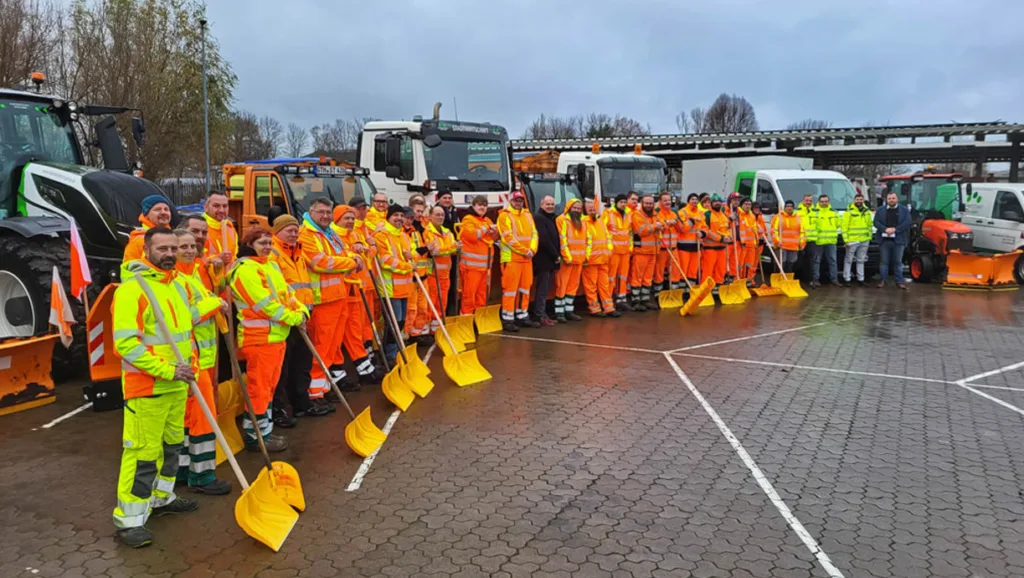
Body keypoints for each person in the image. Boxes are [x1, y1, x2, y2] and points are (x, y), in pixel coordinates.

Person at [112, 227, 199, 548]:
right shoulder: (132, 290)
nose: (169, 254)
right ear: (146, 250)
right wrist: (167, 370)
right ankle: (130, 519)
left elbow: (184, 334)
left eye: (173, 248)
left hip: (176, 384)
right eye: (162, 248)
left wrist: (191, 372)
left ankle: (162, 497)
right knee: (142, 454)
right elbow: (126, 345)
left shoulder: (177, 286)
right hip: (146, 387)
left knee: (172, 446)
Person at [230, 227, 308, 452]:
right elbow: (264, 305)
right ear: (250, 245)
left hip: (276, 337)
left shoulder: (270, 265)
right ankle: (256, 436)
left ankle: (265, 430)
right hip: (259, 339)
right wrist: (294, 318)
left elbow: (288, 294)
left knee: (269, 388)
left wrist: (301, 311)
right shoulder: (245, 269)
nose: (266, 246)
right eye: (261, 243)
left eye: (268, 242)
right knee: (259, 389)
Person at [172, 229, 231, 494]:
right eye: (182, 246)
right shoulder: (175, 280)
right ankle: (203, 475)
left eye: (192, 246)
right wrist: (215, 303)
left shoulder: (192, 274)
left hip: (201, 358)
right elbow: (187, 316)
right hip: (191, 359)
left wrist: (214, 297)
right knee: (202, 418)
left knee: (188, 418)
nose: (188, 250)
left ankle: (184, 470)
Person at [299, 197, 361, 414]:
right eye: (321, 212)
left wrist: (351, 257)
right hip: (322, 301)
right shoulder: (306, 234)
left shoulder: (330, 233)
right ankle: (314, 395)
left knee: (333, 348)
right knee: (321, 349)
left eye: (328, 212)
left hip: (338, 297)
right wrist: (352, 262)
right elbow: (321, 262)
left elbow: (342, 254)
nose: (325, 216)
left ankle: (324, 388)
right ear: (311, 212)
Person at [269, 215, 316, 423]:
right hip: (286, 320)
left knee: (302, 362)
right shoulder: (274, 253)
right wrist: (294, 315)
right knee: (283, 366)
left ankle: (301, 403)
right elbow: (280, 290)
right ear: (277, 231)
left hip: (302, 315)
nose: (294, 233)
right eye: (289, 230)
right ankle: (280, 409)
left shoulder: (297, 251)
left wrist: (304, 313)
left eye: (296, 229)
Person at [333, 205, 386, 385]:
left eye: (351, 218)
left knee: (355, 330)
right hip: (339, 292)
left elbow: (366, 258)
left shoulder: (355, 235)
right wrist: (355, 256)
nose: (349, 221)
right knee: (338, 335)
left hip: (356, 288)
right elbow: (343, 260)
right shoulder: (333, 236)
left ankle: (363, 366)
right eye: (345, 218)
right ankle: (343, 371)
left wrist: (366, 247)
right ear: (337, 219)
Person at [374, 204, 414, 360]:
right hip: (390, 288)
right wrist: (408, 266)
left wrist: (411, 259)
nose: (399, 218)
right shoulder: (381, 235)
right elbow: (386, 261)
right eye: (395, 215)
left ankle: (396, 350)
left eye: (401, 216)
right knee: (394, 323)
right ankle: (390, 354)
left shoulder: (403, 235)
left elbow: (411, 255)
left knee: (401, 321)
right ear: (388, 217)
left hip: (404, 287)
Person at [497, 190, 539, 331]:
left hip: (527, 259)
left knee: (525, 289)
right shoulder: (504, 216)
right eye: (516, 200)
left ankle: (522, 315)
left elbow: (534, 234)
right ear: (511, 201)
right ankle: (508, 318)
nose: (518, 203)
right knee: (510, 290)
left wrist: (532, 250)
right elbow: (507, 238)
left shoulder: (527, 215)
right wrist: (525, 251)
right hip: (511, 259)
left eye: (520, 200)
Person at [458, 195, 499, 315]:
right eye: (480, 205)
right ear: (474, 206)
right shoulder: (468, 219)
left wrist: (494, 231)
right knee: (469, 297)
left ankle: (478, 320)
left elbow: (495, 237)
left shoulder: (486, 220)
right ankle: (466, 320)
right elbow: (472, 236)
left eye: (485, 205)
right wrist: (487, 229)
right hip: (471, 268)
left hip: (485, 268)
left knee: (482, 297)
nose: (482, 207)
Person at [422, 205, 459, 330]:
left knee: (442, 302)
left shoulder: (448, 232)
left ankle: (436, 328)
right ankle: (426, 328)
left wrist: (455, 248)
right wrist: (452, 248)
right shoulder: (427, 231)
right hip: (433, 272)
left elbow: (454, 250)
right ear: (430, 216)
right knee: (431, 301)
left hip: (445, 273)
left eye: (442, 215)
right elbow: (435, 251)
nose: (440, 217)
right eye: (437, 214)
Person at [121, 194, 173, 280]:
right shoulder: (139, 240)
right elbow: (129, 272)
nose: (163, 212)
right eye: (157, 209)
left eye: (166, 209)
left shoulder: (173, 237)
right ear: (146, 214)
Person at [583, 199, 619, 318]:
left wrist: (609, 251)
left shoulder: (600, 222)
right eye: (590, 210)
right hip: (591, 261)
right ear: (585, 211)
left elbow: (607, 237)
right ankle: (594, 309)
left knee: (604, 285)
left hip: (603, 260)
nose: (593, 211)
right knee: (591, 286)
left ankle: (609, 308)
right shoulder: (583, 223)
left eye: (594, 209)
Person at [554, 198, 588, 322]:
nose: (577, 210)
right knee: (562, 286)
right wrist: (567, 257)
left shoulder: (583, 221)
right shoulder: (561, 220)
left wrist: (585, 256)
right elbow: (562, 240)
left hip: (579, 260)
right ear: (569, 208)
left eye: (579, 208)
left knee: (573, 286)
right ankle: (559, 312)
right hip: (566, 261)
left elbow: (587, 239)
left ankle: (569, 310)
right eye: (574, 208)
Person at [404, 201, 432, 344]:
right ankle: (407, 334)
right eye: (407, 217)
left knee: (422, 307)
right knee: (411, 309)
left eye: (410, 218)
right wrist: (423, 250)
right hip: (411, 277)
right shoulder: (403, 233)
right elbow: (409, 254)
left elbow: (418, 252)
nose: (409, 220)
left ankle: (417, 333)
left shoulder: (416, 232)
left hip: (422, 275)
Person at [530, 195, 559, 326]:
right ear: (541, 205)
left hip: (551, 261)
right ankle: (539, 315)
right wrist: (555, 255)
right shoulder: (539, 218)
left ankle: (543, 314)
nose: (550, 206)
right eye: (547, 204)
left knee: (546, 289)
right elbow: (544, 240)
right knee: (542, 290)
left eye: (552, 204)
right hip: (543, 260)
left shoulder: (552, 218)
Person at [873, 192, 911, 289]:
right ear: (887, 200)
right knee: (884, 262)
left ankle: (899, 282)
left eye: (893, 198)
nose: (891, 200)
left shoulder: (904, 210)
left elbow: (907, 222)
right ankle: (882, 281)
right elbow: (876, 222)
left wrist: (895, 229)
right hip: (884, 240)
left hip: (899, 240)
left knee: (898, 262)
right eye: (889, 198)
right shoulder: (880, 210)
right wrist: (885, 229)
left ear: (897, 199)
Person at [603, 194, 633, 311]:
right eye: (621, 202)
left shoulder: (628, 214)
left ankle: (621, 300)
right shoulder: (608, 214)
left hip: (625, 251)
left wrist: (630, 247)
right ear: (616, 202)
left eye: (625, 202)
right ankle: (608, 300)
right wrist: (608, 248)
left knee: (623, 277)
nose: (623, 204)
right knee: (610, 277)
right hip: (613, 251)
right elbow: (603, 231)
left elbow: (629, 232)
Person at [630, 194, 661, 311]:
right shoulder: (637, 215)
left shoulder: (654, 215)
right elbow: (640, 231)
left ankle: (645, 299)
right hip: (641, 251)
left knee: (648, 278)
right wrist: (655, 227)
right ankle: (635, 301)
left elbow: (660, 226)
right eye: (646, 203)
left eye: (651, 203)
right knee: (637, 277)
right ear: (642, 203)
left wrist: (660, 226)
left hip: (653, 252)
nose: (649, 205)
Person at [654, 192, 684, 298]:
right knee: (659, 272)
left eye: (669, 200)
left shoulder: (674, 213)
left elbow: (681, 229)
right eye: (665, 200)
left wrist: (677, 222)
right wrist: (668, 223)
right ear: (660, 202)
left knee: (675, 272)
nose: (668, 202)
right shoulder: (656, 213)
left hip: (673, 248)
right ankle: (658, 295)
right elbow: (659, 227)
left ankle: (674, 294)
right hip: (662, 248)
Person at [841, 193, 873, 286]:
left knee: (861, 260)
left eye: (860, 199)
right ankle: (847, 279)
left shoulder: (866, 212)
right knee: (848, 260)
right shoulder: (849, 212)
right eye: (857, 199)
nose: (859, 201)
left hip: (864, 239)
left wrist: (869, 237)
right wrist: (846, 240)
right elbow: (844, 227)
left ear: (863, 200)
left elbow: (869, 225)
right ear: (854, 200)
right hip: (852, 240)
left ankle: (861, 279)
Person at [810, 195, 840, 287]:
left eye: (826, 201)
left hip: (831, 241)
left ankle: (834, 280)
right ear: (819, 202)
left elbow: (839, 224)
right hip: (818, 241)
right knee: (816, 261)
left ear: (829, 202)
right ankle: (815, 280)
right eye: (822, 201)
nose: (824, 203)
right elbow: (810, 227)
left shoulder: (834, 213)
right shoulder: (814, 213)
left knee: (832, 261)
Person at [203, 191, 237, 269]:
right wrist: (217, 258)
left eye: (225, 206)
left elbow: (234, 256)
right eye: (216, 206)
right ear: (206, 207)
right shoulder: (197, 228)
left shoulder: (230, 228)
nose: (221, 210)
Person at [702, 195, 732, 285]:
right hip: (710, 249)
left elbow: (729, 229)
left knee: (720, 270)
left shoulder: (724, 215)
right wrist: (721, 239)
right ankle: (705, 290)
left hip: (722, 248)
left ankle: (717, 289)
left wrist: (729, 237)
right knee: (708, 271)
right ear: (711, 204)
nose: (717, 203)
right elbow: (706, 231)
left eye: (719, 201)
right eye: (715, 202)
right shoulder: (707, 215)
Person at [771, 201, 805, 273]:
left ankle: (787, 279)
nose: (789, 208)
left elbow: (802, 232)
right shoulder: (778, 217)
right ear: (785, 207)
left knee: (791, 264)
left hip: (793, 246)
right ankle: (779, 279)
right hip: (781, 246)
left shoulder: (798, 218)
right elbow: (774, 231)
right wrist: (777, 242)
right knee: (780, 264)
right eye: (788, 206)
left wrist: (802, 243)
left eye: (791, 206)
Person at [676, 194, 704, 284]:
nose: (695, 201)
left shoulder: (700, 212)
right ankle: (682, 289)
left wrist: (703, 233)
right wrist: (692, 220)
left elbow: (704, 226)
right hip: (684, 246)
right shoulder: (682, 212)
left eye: (696, 199)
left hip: (696, 246)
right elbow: (682, 228)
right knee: (683, 268)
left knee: (693, 270)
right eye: (692, 199)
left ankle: (690, 289)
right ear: (688, 201)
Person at [736, 198, 759, 281]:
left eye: (749, 204)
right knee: (740, 264)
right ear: (741, 205)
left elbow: (754, 229)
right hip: (742, 244)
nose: (747, 206)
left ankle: (748, 280)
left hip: (751, 244)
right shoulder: (738, 214)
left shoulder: (752, 216)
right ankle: (738, 280)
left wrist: (756, 241)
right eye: (745, 204)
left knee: (749, 264)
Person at [797, 193, 817, 281]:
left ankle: (809, 279)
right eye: (807, 200)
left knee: (811, 261)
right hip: (800, 241)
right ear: (803, 201)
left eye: (810, 201)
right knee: (799, 260)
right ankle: (798, 278)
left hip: (811, 240)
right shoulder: (797, 213)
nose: (808, 202)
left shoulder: (815, 212)